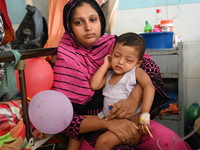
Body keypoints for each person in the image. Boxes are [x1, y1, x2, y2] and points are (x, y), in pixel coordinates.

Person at [52, 0, 191, 149]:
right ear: (69, 27)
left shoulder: (116, 45)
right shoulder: (66, 58)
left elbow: (150, 73)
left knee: (173, 144)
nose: (88, 27)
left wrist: (133, 99)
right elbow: (63, 120)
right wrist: (109, 123)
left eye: (93, 19)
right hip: (92, 128)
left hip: (134, 119)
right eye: (79, 22)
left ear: (100, 19)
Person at [90, 32, 155, 149]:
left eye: (129, 60)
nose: (120, 62)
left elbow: (149, 87)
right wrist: (105, 65)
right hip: (110, 121)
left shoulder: (135, 72)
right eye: (117, 55)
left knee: (103, 142)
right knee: (84, 125)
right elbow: (94, 85)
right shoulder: (109, 74)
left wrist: (145, 113)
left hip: (132, 124)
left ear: (138, 63)